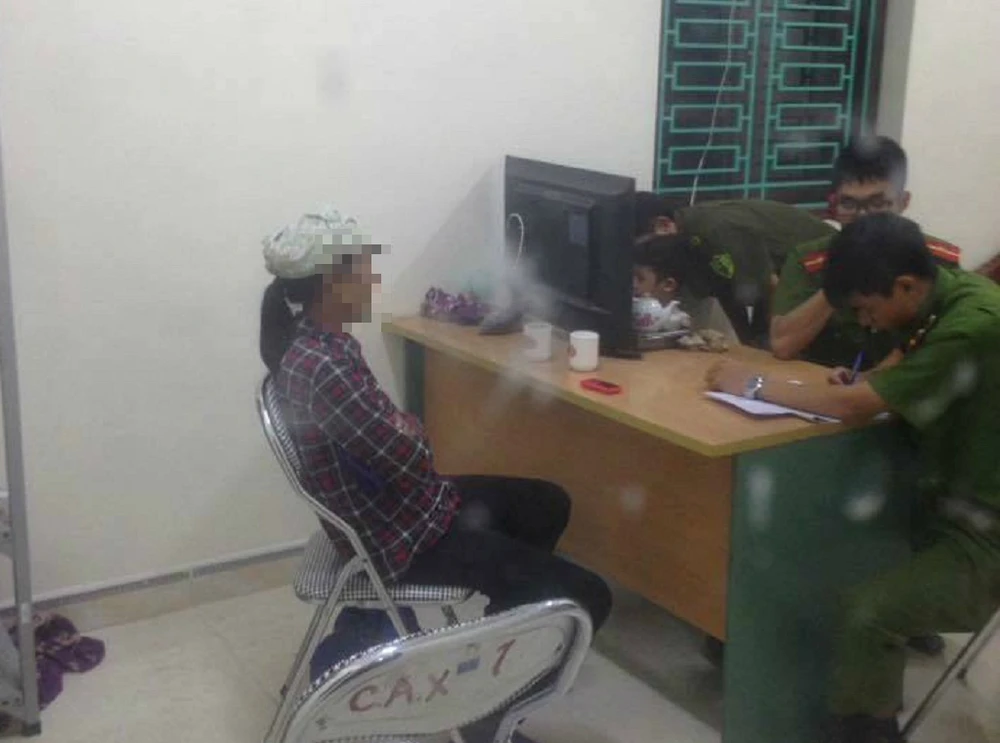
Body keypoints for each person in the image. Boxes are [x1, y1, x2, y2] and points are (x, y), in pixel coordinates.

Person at [258, 208, 613, 679]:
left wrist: (406, 430)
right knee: (588, 597)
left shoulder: (322, 344)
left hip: (412, 509)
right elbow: (409, 455)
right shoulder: (324, 367)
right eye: (364, 269)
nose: (372, 280)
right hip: (401, 542)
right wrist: (410, 431)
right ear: (333, 284)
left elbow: (401, 448)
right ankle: (497, 698)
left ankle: (501, 637)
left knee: (546, 502)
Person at [706, 213, 1000, 743]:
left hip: (984, 530)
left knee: (868, 612)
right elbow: (895, 367)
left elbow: (855, 408)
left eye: (867, 309)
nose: (867, 324)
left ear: (905, 286)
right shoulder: (941, 295)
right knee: (805, 543)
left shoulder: (975, 323)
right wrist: (865, 378)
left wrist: (752, 384)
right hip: (940, 497)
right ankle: (745, 650)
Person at [771, 135, 962, 369]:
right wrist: (840, 277)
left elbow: (951, 347)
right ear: (834, 205)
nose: (862, 217)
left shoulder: (937, 260)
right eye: (849, 204)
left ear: (903, 202)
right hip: (822, 383)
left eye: (878, 204)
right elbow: (782, 345)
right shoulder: (810, 261)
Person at [634, 193, 835, 347]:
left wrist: (771, 344)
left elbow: (772, 287)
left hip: (823, 268)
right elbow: (728, 287)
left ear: (664, 225)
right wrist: (747, 342)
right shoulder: (691, 240)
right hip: (782, 281)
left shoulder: (713, 231)